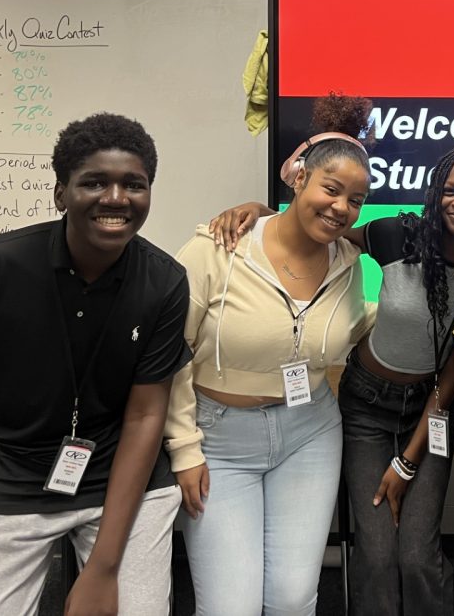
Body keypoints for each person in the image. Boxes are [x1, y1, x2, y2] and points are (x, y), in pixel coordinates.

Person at [210, 145, 454, 615]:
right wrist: (263, 214)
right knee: (376, 554)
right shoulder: (400, 235)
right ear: (435, 193)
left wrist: (407, 464)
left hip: (433, 407)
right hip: (366, 407)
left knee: (416, 555)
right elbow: (321, 233)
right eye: (451, 190)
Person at [0, 113, 191, 615]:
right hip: (6, 472)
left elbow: (146, 416)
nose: (115, 198)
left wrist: (103, 569)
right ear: (61, 192)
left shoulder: (165, 283)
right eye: (94, 182)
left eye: (134, 184)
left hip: (119, 475)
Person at [164, 94, 373, 616]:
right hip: (220, 439)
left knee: (292, 599)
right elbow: (169, 354)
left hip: (310, 432)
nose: (342, 208)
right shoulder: (219, 247)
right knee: (228, 607)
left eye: (356, 199)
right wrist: (184, 449)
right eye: (331, 189)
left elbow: (345, 332)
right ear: (297, 179)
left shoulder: (349, 262)